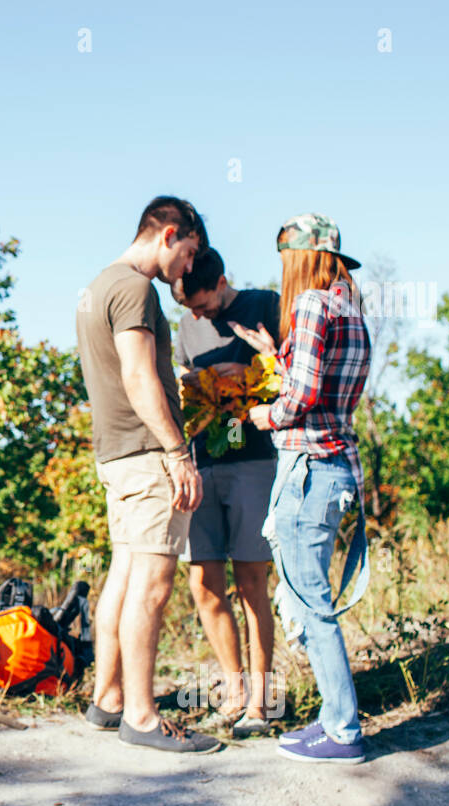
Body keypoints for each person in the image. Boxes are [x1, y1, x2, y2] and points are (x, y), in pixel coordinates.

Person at [75, 196, 221, 754]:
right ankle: (141, 715)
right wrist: (179, 453)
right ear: (168, 233)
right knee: (153, 584)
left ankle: (108, 699)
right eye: (189, 253)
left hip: (116, 455)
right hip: (146, 455)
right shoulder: (135, 288)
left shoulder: (98, 286)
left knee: (125, 573)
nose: (188, 268)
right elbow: (138, 378)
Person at [236, 214, 371, 765]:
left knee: (310, 601)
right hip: (337, 466)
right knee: (306, 595)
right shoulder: (351, 311)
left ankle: (342, 729)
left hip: (308, 468)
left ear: (300, 258)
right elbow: (326, 386)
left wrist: (261, 414)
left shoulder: (312, 305)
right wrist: (277, 353)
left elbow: (302, 396)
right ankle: (331, 720)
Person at [171, 247, 279, 738]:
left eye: (202, 304)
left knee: (252, 581)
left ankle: (261, 702)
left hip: (252, 460)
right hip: (202, 459)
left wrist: (254, 373)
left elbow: (292, 375)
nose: (197, 315)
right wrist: (194, 382)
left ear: (222, 281)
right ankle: (233, 693)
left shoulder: (264, 305)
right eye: (188, 308)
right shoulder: (186, 326)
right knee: (204, 580)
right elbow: (178, 385)